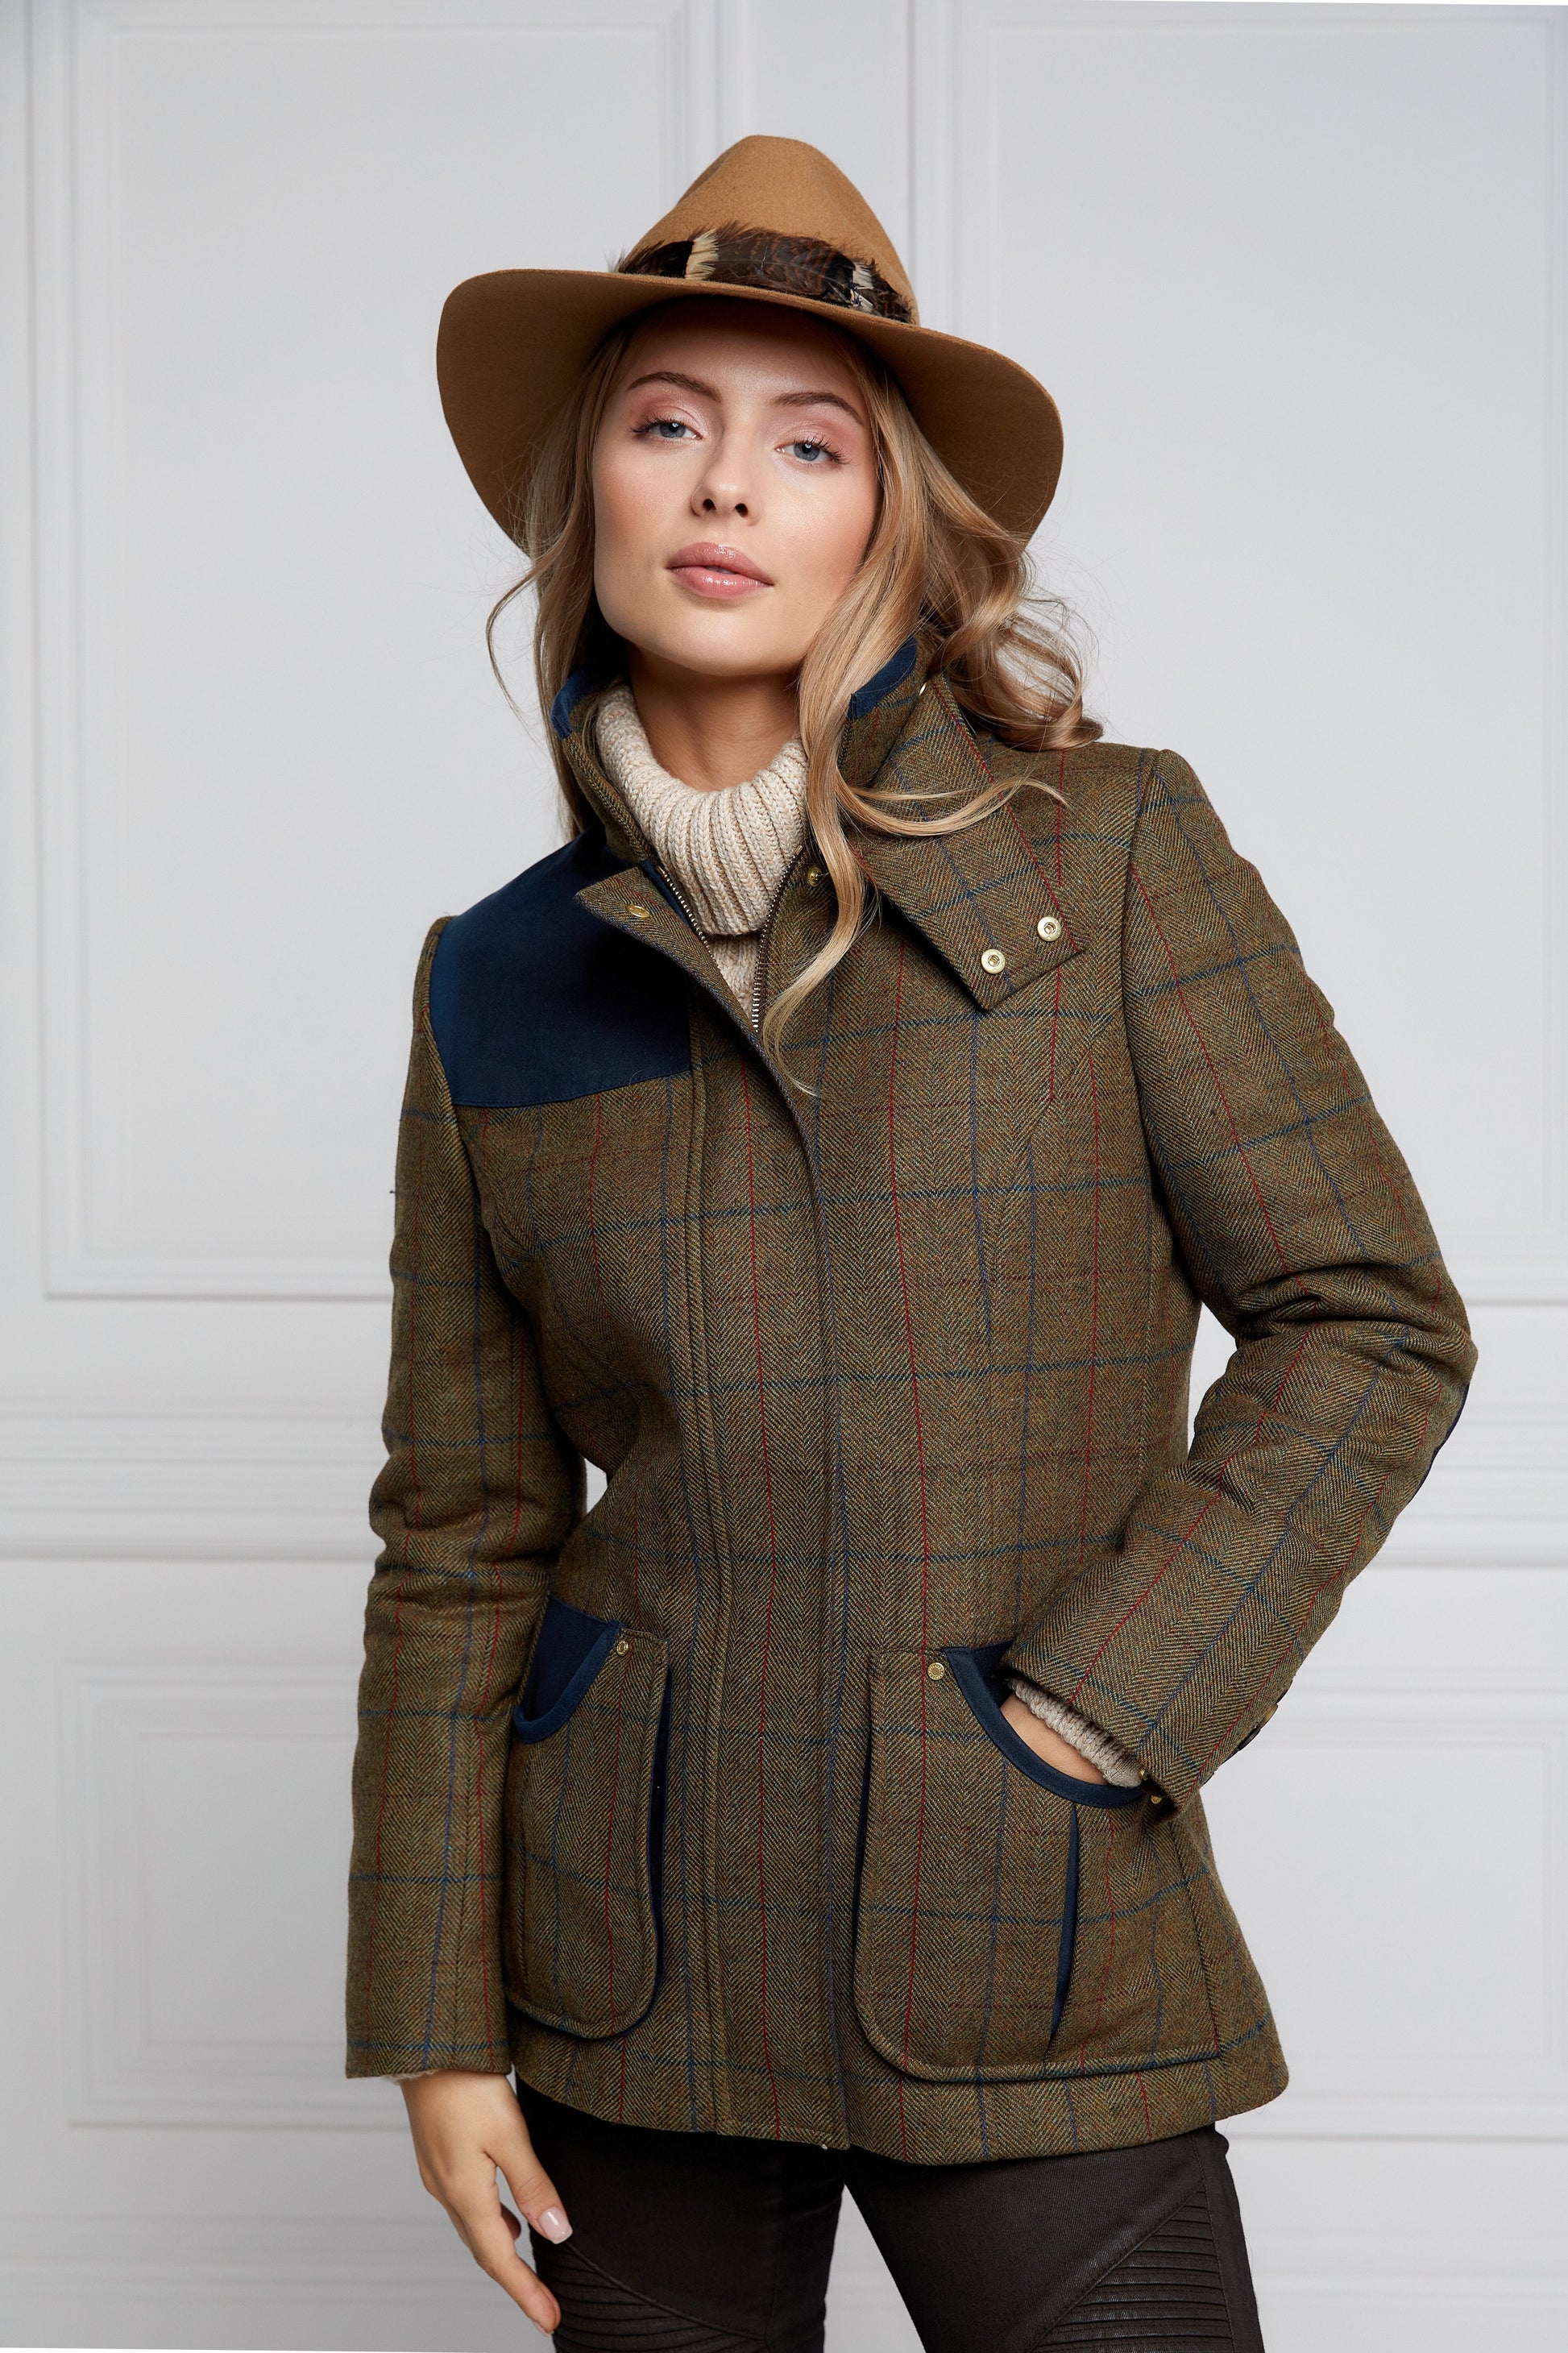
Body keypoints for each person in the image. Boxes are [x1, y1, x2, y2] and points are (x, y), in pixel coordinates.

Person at [346, 138, 1475, 2351]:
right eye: (666, 422)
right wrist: (433, 2021)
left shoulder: (1110, 855)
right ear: (589, 497)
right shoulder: (491, 974)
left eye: (809, 442)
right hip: (624, 1963)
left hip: (1025, 1917)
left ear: (891, 518)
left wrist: (1098, 1711)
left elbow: (1367, 1323)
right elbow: (460, 1530)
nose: (726, 485)